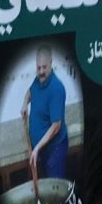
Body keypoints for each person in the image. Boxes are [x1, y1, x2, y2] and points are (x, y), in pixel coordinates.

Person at [21, 47, 68, 180]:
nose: (41, 71)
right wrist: (25, 103)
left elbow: (56, 126)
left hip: (54, 150)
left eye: (44, 67)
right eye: (38, 67)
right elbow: (30, 92)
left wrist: (36, 149)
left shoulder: (56, 88)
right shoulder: (38, 80)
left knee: (55, 187)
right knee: (45, 183)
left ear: (51, 63)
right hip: (42, 149)